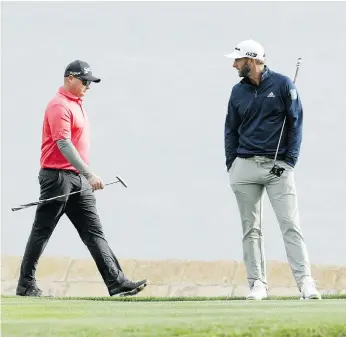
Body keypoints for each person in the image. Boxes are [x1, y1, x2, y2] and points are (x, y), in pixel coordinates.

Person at [16, 60, 148, 297]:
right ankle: (26, 285)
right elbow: (63, 143)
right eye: (85, 81)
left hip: (77, 178)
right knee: (42, 231)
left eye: (90, 82)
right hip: (56, 177)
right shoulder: (59, 105)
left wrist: (84, 175)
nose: (88, 85)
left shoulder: (77, 105)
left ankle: (116, 282)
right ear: (70, 78)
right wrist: (89, 173)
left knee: (94, 232)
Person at [223, 40, 321, 300]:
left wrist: (289, 162)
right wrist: (231, 164)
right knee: (250, 228)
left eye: (238, 60)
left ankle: (305, 283)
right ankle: (257, 284)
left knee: (290, 225)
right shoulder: (237, 91)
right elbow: (230, 129)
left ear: (252, 60)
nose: (234, 64)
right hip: (244, 167)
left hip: (278, 167)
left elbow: (296, 123)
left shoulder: (282, 84)